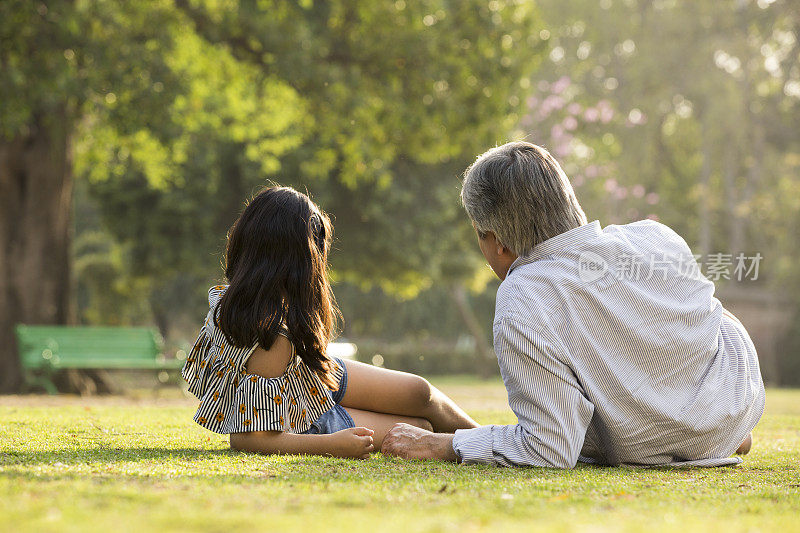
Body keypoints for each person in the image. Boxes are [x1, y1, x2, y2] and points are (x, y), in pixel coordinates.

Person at [381, 141, 764, 468]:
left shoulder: (523, 294)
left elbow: (549, 447)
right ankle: (709, 434)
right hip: (735, 402)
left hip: (649, 443)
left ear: (497, 242)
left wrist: (448, 444)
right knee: (703, 312)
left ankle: (691, 437)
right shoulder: (655, 236)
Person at [182, 186, 478, 459]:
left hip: (306, 378)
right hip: (303, 421)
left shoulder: (228, 299)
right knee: (416, 426)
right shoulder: (272, 337)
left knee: (419, 392)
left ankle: (495, 441)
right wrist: (333, 444)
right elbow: (250, 438)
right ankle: (490, 449)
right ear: (299, 261)